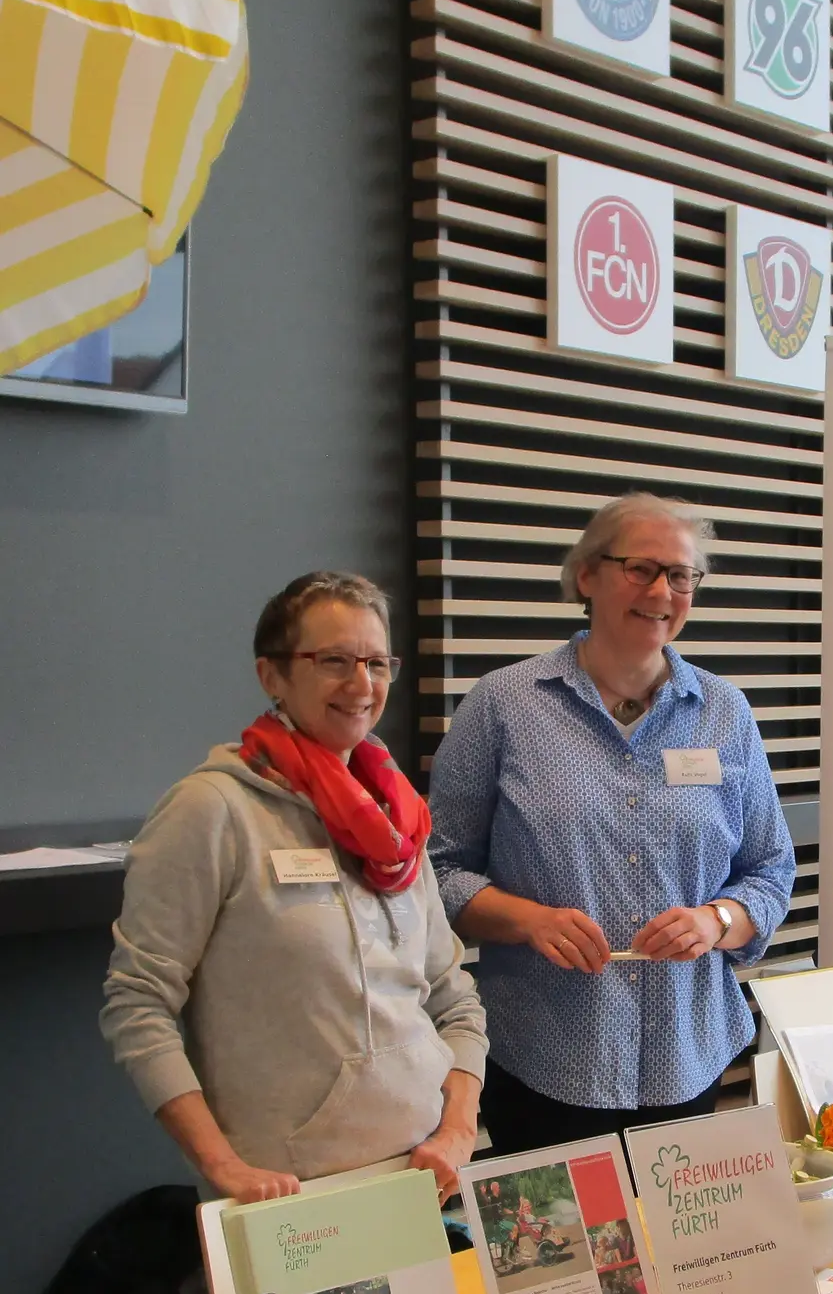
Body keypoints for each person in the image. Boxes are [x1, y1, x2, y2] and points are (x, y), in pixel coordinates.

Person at [101, 571, 487, 1202]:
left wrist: (458, 1129)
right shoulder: (212, 810)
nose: (362, 684)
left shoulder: (398, 819)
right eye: (333, 660)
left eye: (376, 661)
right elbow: (137, 1005)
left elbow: (453, 996)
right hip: (292, 1199)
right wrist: (221, 1164)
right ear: (272, 675)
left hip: (426, 1181)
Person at [427, 494, 795, 1153]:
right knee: (562, 1255)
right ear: (586, 576)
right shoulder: (503, 706)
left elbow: (770, 868)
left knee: (678, 1255)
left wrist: (715, 921)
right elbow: (439, 870)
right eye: (641, 568)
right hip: (546, 1054)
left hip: (690, 1052)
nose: (662, 590)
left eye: (680, 575)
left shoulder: (725, 713)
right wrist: (528, 920)